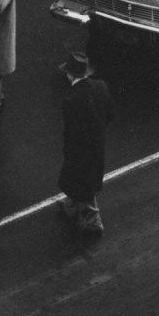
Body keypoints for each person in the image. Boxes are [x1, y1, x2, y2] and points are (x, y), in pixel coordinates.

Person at [56, 51, 114, 235]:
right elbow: (111, 114)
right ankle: (72, 206)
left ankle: (92, 222)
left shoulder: (70, 98)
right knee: (83, 181)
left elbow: (70, 132)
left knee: (81, 184)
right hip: (96, 146)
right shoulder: (101, 86)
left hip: (79, 150)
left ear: (69, 74)